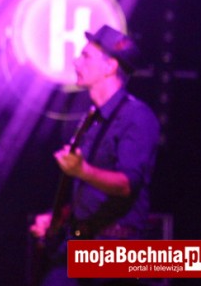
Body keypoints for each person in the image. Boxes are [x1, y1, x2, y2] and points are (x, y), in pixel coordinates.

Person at [30, 25, 160, 285]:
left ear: (110, 66)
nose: (76, 61)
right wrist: (59, 219)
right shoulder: (91, 119)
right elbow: (92, 193)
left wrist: (83, 171)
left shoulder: (136, 117)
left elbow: (126, 185)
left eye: (86, 56)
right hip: (81, 243)